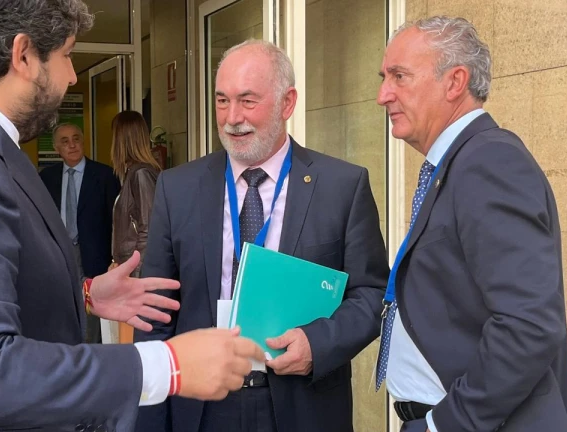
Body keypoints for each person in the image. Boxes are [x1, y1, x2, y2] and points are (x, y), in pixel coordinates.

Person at [0, 1, 264, 431]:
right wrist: (168, 365)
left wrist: (84, 294)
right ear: (23, 55)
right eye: (67, 55)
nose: (72, 76)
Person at [134, 39, 389, 432]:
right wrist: (151, 418)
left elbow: (371, 294)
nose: (232, 118)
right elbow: (156, 309)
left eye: (247, 101)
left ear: (287, 103)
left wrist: (317, 343)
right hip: (201, 406)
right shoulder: (177, 188)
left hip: (302, 406)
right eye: (222, 101)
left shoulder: (342, 187)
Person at [375, 16, 567, 432]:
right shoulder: (459, 162)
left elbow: (528, 325)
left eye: (399, 76)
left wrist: (446, 423)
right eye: (384, 78)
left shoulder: (488, 161)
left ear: (455, 82)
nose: (383, 95)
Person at [40, 123, 121, 343]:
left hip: (95, 258)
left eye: (76, 138)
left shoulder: (104, 175)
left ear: (83, 142)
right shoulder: (46, 178)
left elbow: (116, 221)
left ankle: (90, 353)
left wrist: (114, 258)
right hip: (59, 255)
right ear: (56, 148)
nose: (72, 145)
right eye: (65, 141)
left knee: (92, 317)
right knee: (61, 309)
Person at [110, 110, 161, 277]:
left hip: (135, 272)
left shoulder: (141, 174)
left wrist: (135, 273)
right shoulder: (133, 172)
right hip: (129, 267)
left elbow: (149, 229)